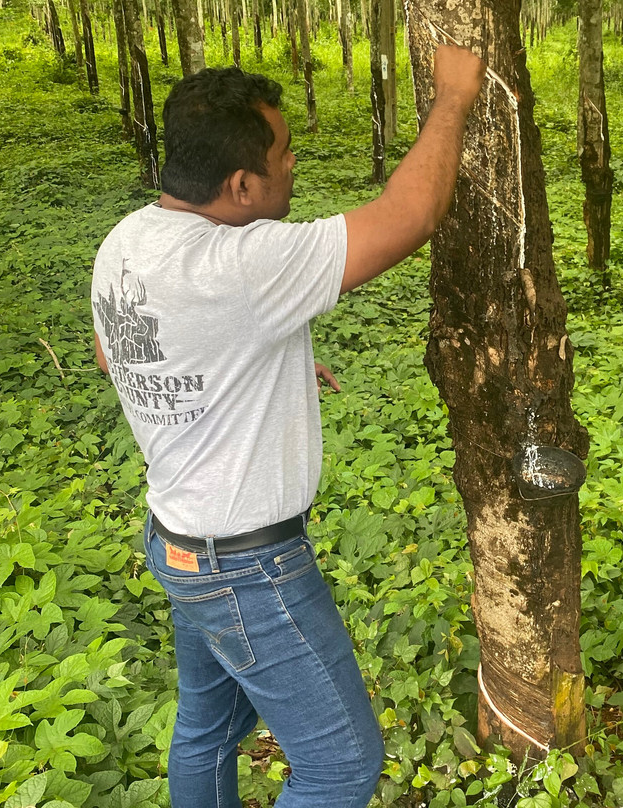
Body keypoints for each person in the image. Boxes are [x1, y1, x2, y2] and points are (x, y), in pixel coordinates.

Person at [91, 46, 486, 808]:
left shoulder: (127, 243)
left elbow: (119, 355)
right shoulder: (244, 264)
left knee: (207, 730)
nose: (295, 161)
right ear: (241, 185)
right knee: (341, 767)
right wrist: (452, 100)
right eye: (283, 153)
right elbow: (411, 215)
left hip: (177, 540)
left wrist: (242, 365)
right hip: (248, 571)